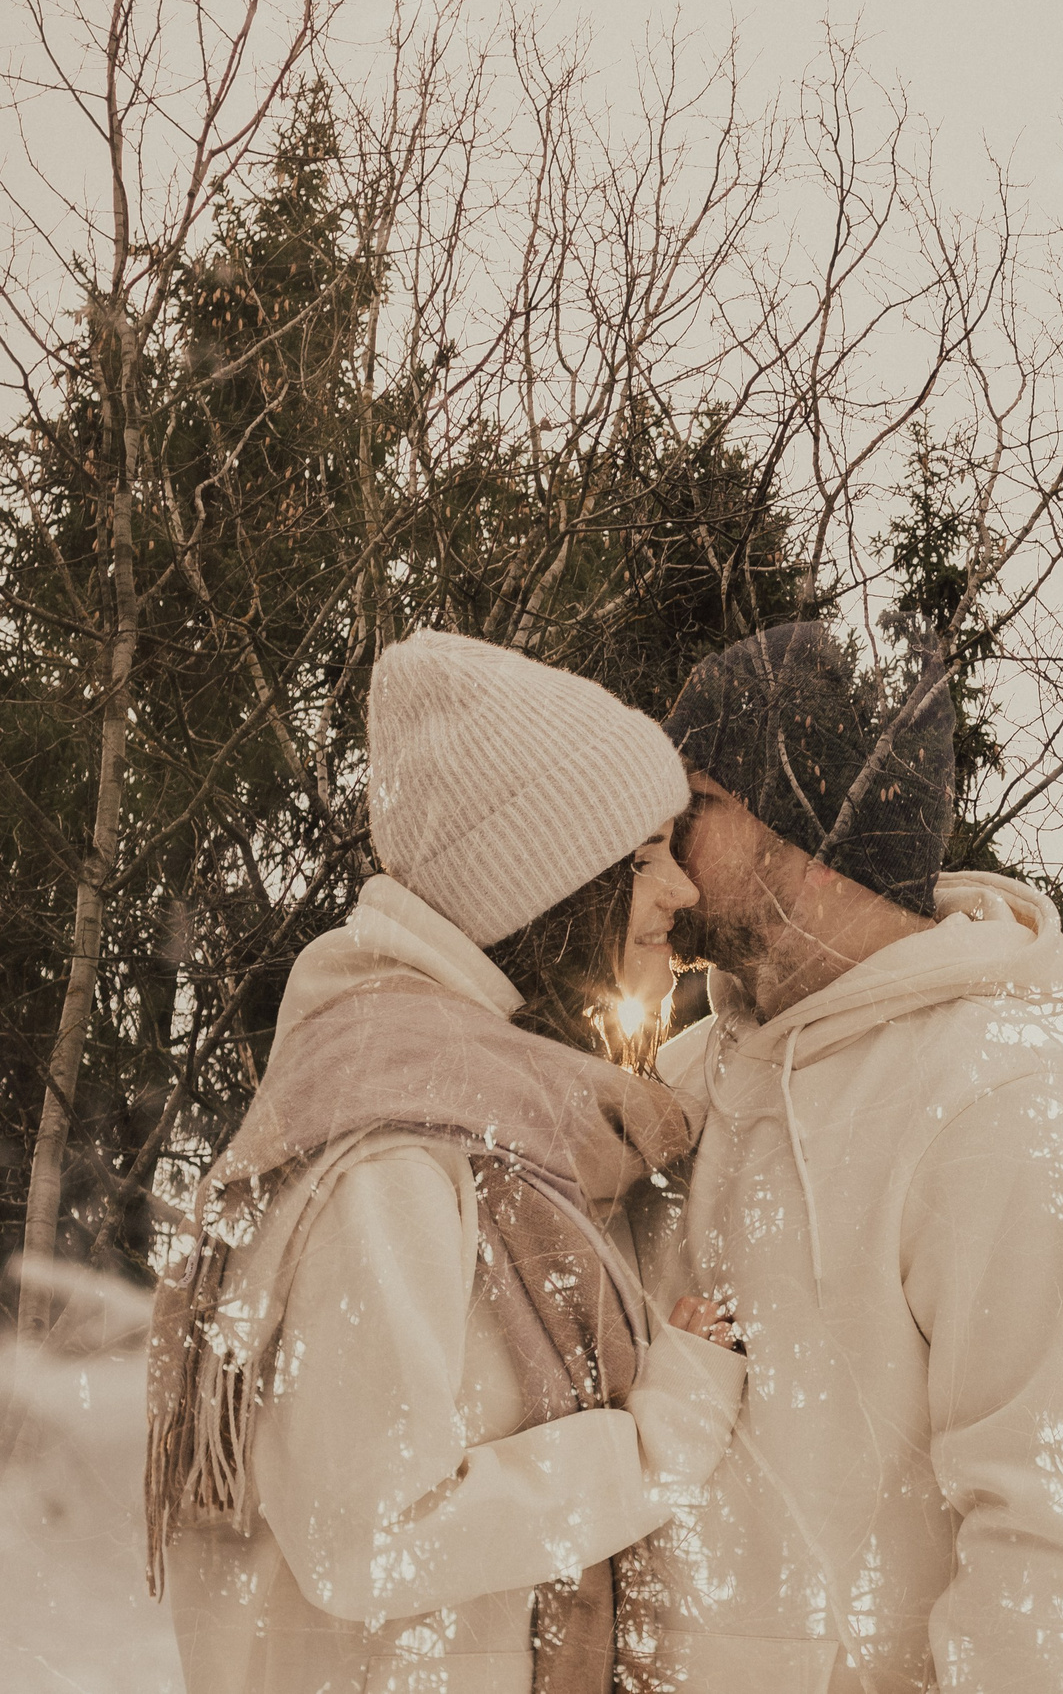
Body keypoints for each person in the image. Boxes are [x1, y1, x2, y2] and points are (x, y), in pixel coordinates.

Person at [148, 629, 749, 1694]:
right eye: (646, 855)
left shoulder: (473, 1116)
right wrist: (665, 1432)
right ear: (556, 884)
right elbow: (370, 1530)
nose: (679, 892)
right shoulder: (390, 1159)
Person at [627, 623, 1063, 1693]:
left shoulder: (1007, 1104)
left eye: (697, 805)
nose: (661, 845)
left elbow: (1062, 1554)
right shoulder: (685, 1080)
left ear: (809, 828)